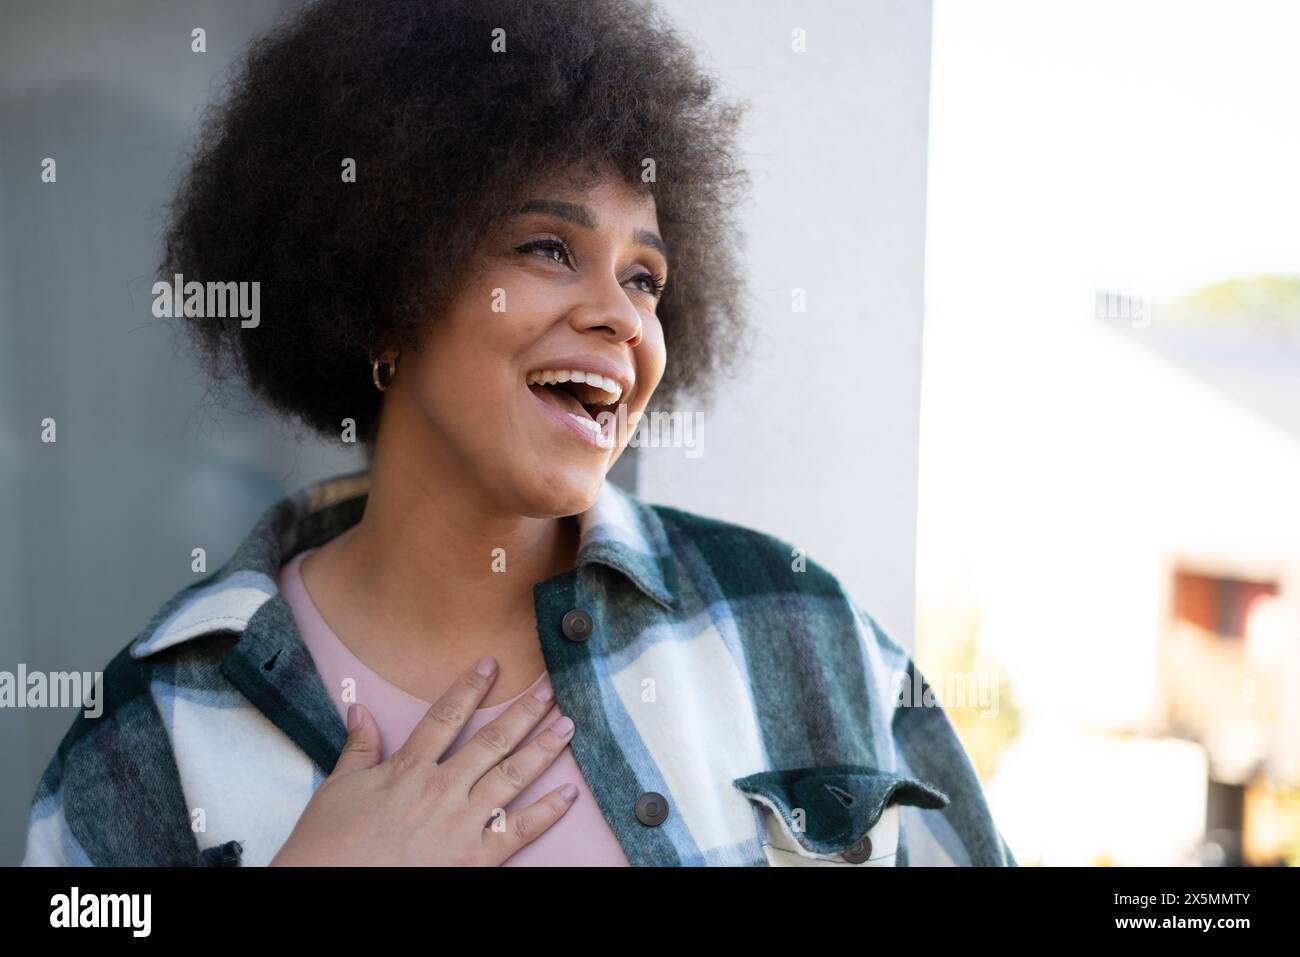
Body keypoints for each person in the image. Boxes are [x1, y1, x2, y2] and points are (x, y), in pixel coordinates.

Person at [22, 0, 1015, 867]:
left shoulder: (800, 634)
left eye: (644, 278)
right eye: (548, 248)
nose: (623, 319)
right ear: (385, 297)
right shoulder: (148, 742)